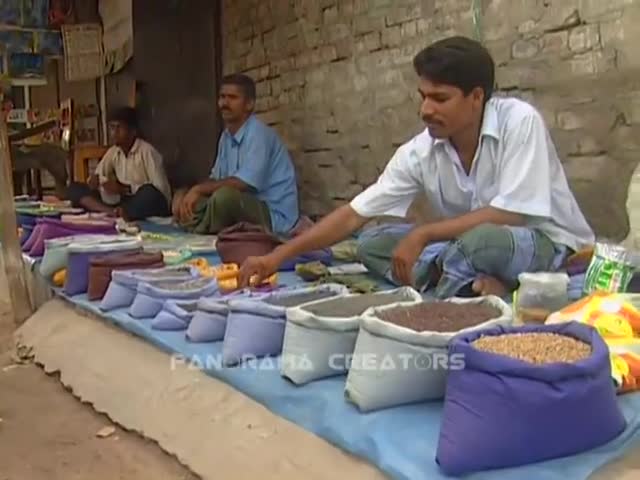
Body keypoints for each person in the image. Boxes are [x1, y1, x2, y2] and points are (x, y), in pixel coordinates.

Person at [239, 36, 595, 298]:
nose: (426, 110)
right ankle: (476, 287)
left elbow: (512, 215)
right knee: (372, 243)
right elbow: (353, 214)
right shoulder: (421, 150)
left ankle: (463, 289)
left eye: (440, 98)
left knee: (480, 241)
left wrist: (424, 234)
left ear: (476, 98)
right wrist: (275, 256)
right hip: (464, 246)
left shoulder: (519, 121)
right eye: (423, 96)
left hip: (544, 243)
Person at [172, 74, 299, 235]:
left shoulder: (258, 134)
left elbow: (244, 183)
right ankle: (199, 222)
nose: (224, 103)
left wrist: (199, 189)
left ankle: (198, 226)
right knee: (192, 200)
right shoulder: (226, 137)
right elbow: (216, 179)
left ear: (249, 104)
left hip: (273, 215)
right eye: (222, 97)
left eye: (232, 98)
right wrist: (188, 193)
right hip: (241, 206)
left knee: (224, 198)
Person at [66, 107, 172, 221]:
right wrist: (95, 181)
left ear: (133, 131)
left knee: (148, 192)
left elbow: (162, 193)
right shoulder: (114, 152)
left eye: (119, 128)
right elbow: (98, 175)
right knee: (75, 188)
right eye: (112, 128)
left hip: (141, 201)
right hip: (120, 202)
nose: (114, 133)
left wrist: (125, 189)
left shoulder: (147, 152)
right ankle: (112, 212)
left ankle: (122, 212)